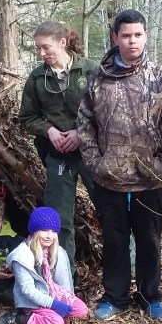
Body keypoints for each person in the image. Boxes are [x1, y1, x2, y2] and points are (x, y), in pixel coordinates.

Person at [77, 9, 162, 321]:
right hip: (109, 178)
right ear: (115, 38)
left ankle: (150, 297)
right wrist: (95, 163)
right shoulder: (99, 79)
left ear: (145, 36)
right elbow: (85, 123)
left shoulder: (161, 77)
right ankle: (115, 297)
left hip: (150, 179)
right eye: (125, 35)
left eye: (137, 34)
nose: (132, 41)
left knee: (149, 241)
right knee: (114, 240)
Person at [18, 21, 98, 274]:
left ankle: (125, 273)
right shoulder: (37, 78)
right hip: (58, 155)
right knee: (58, 220)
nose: (42, 53)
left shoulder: (91, 71)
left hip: (92, 153)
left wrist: (80, 133)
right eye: (38, 48)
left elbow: (106, 112)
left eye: (46, 47)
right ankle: (63, 276)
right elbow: (27, 117)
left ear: (62, 43)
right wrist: (49, 131)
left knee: (111, 212)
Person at [0, 207, 88, 324]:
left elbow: (62, 281)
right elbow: (28, 290)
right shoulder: (21, 256)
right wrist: (53, 304)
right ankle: (18, 318)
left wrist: (64, 300)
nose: (49, 236)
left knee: (81, 310)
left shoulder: (57, 251)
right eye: (44, 231)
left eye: (53, 232)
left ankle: (50, 314)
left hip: (53, 292)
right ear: (35, 232)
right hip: (32, 299)